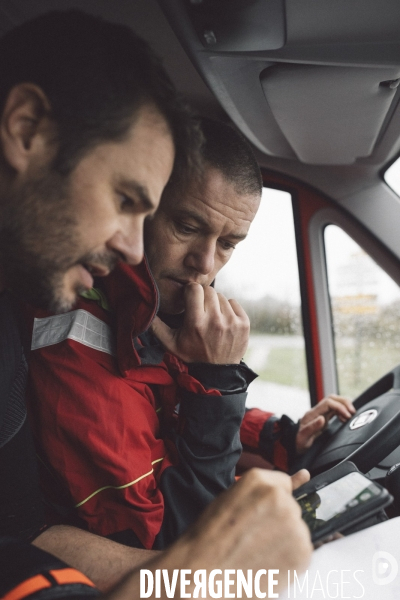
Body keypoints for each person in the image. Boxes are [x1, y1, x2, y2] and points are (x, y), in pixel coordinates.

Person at [0, 9, 312, 600]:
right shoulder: (70, 325)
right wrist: (210, 575)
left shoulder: (136, 316)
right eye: (125, 199)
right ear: (25, 129)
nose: (132, 247)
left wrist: (280, 435)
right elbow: (157, 532)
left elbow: (21, 542)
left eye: (228, 244)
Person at [24, 119, 354, 553]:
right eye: (187, 226)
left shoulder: (152, 310)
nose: (204, 263)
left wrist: (279, 436)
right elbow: (171, 542)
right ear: (142, 211)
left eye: (228, 243)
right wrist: (216, 379)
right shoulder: (74, 344)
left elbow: (172, 405)